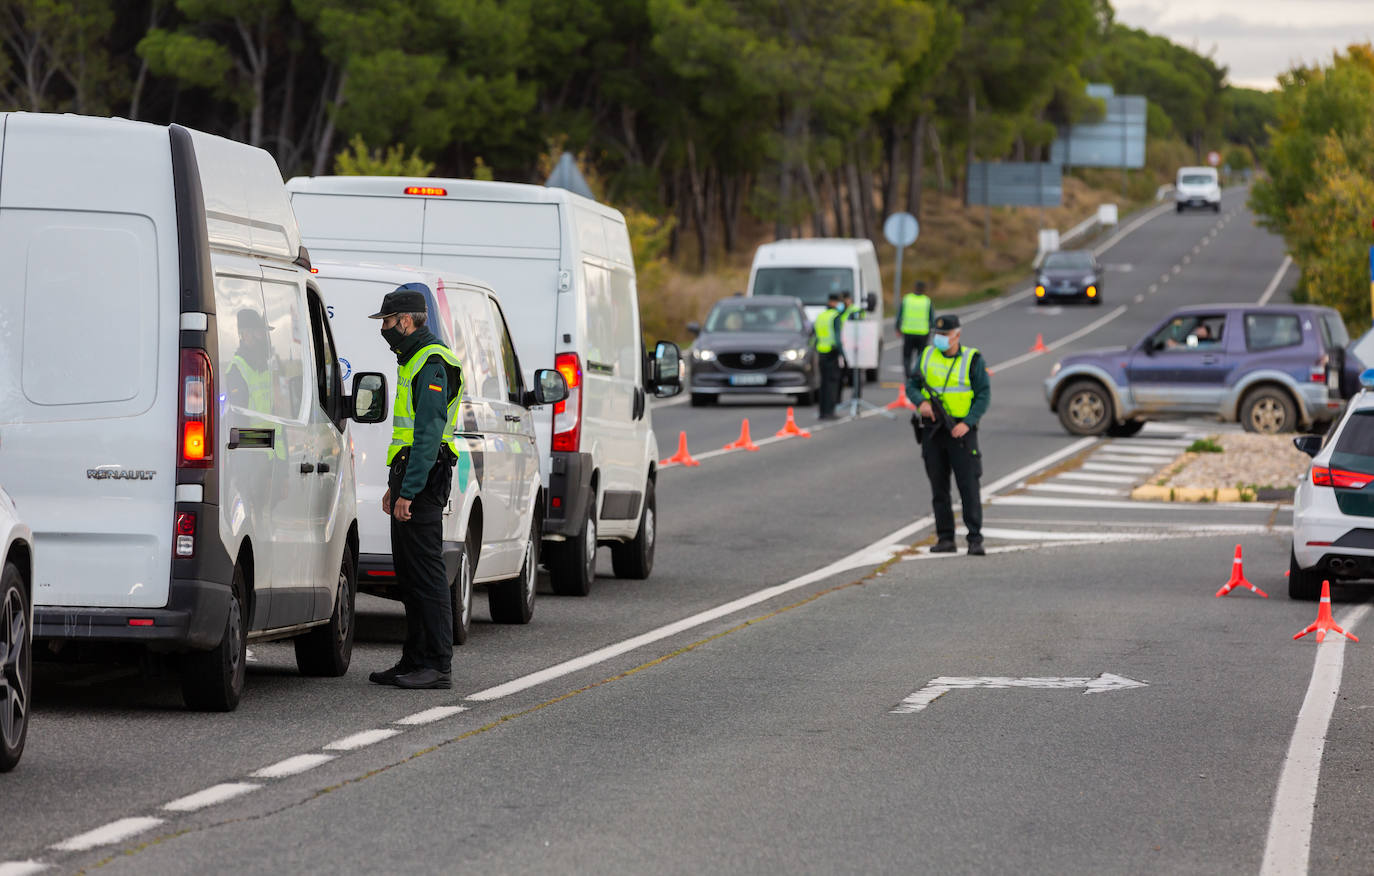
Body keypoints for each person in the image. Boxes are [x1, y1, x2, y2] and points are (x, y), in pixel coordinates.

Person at [367, 284, 465, 690]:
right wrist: (397, 486)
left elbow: (427, 434)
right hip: (412, 474)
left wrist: (409, 490)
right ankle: (414, 659)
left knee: (426, 574)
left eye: (388, 321)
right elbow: (409, 437)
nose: (385, 328)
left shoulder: (432, 362)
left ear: (406, 321)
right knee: (409, 574)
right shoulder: (413, 359)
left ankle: (436, 664)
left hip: (424, 477)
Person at [907, 314, 991, 556]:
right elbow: (912, 384)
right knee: (939, 487)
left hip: (961, 433)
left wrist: (968, 422)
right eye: (938, 334)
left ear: (958, 335)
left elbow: (983, 394)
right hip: (933, 433)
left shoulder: (972, 359)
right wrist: (921, 402)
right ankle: (945, 538)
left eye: (945, 334)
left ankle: (975, 539)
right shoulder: (927, 355)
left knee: (968, 487)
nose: (940, 339)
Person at [813, 292, 847, 420]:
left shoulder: (821, 316)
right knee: (832, 384)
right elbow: (837, 339)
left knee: (823, 384)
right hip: (832, 354)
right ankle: (830, 412)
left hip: (821, 353)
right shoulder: (835, 316)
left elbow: (815, 337)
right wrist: (844, 356)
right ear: (835, 302)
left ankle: (823, 411)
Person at [897, 281, 933, 377]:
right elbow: (931, 319)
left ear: (914, 288)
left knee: (907, 356)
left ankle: (908, 376)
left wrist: (897, 328)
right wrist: (931, 331)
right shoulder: (927, 301)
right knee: (920, 356)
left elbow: (899, 315)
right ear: (924, 290)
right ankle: (918, 374)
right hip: (922, 333)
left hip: (908, 332)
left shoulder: (907, 299)